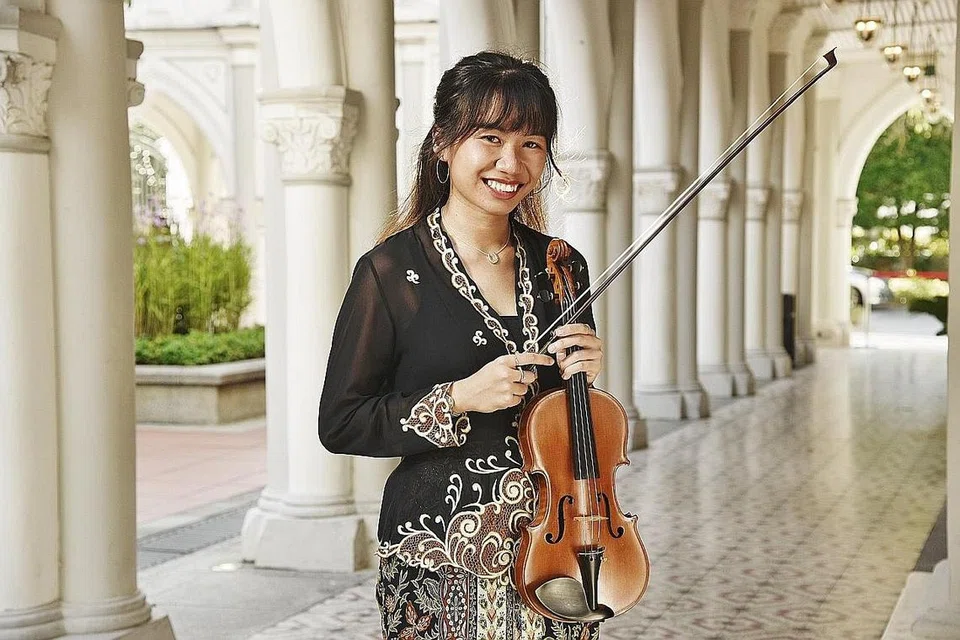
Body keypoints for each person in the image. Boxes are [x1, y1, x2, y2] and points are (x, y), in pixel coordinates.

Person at [319, 51, 604, 640]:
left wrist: (587, 376)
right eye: (490, 137)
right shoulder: (390, 273)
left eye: (532, 143)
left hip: (556, 553)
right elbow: (342, 422)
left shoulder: (562, 264)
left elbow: (575, 428)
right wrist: (458, 398)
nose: (512, 162)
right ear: (443, 146)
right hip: (438, 555)